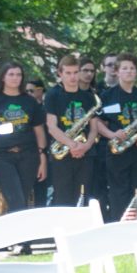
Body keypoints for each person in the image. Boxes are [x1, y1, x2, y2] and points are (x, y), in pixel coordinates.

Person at [94, 53, 137, 221]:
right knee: (118, 191)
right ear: (117, 72)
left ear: (136, 72)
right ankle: (119, 228)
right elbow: (98, 122)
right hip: (117, 150)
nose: (129, 72)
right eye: (125, 68)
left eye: (132, 69)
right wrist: (112, 134)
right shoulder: (107, 96)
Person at [0, 63, 45, 216]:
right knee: (15, 198)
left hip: (28, 155)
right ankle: (19, 236)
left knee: (23, 198)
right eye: (11, 74)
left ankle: (18, 236)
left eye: (18, 74)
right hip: (1, 156)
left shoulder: (30, 101)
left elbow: (39, 130)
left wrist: (42, 157)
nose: (15, 78)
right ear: (3, 77)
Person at [43, 54, 100, 207]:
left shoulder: (88, 97)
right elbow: (51, 126)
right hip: (62, 152)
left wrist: (86, 146)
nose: (72, 77)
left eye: (75, 72)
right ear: (60, 73)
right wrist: (71, 145)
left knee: (83, 197)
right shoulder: (52, 95)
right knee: (63, 198)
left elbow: (94, 128)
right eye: (68, 73)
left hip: (85, 153)